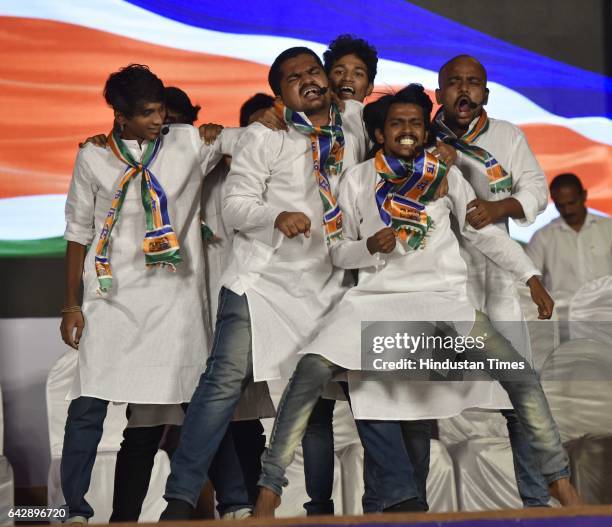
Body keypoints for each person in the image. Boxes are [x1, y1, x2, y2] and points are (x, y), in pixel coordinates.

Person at [254, 84, 581, 517]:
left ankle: (559, 480)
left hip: (442, 302)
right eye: (396, 123)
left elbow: (481, 234)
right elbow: (337, 251)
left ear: (425, 132)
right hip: (373, 302)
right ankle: (268, 492)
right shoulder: (356, 179)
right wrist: (368, 246)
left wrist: (530, 276)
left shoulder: (446, 176)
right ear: (381, 133)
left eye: (414, 123)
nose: (406, 130)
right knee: (309, 371)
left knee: (520, 375)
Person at [159, 46, 370, 521]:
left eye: (313, 71)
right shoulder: (264, 135)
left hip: (326, 284)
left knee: (315, 403)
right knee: (221, 385)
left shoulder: (352, 124)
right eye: (294, 77)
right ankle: (180, 500)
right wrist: (277, 216)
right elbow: (235, 205)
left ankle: (320, 509)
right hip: (261, 281)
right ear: (280, 95)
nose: (308, 80)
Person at [59, 64, 247, 525]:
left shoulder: (187, 142)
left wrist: (238, 130)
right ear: (119, 117)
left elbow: (254, 142)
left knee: (200, 405)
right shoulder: (94, 156)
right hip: (110, 298)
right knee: (88, 405)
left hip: (176, 301)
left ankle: (237, 505)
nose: (157, 121)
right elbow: (77, 231)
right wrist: (71, 304)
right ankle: (73, 511)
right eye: (145, 113)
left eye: (160, 110)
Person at [432, 54, 555, 507]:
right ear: (438, 91)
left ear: (486, 92)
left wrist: (499, 209)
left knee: (520, 396)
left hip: (498, 278)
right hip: (438, 281)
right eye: (454, 83)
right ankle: (410, 508)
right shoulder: (419, 136)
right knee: (421, 395)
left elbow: (536, 191)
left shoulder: (508, 135)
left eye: (474, 83)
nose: (464, 91)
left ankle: (537, 502)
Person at [526, 173, 612, 309]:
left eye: (572, 203)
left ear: (584, 196)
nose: (567, 210)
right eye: (560, 205)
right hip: (564, 318)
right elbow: (528, 278)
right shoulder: (543, 236)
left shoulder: (608, 228)